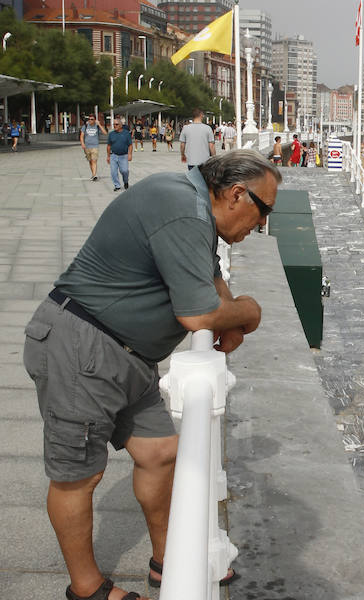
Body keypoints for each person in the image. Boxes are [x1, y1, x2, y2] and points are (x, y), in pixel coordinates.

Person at [21, 150, 279, 600]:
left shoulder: (195, 211)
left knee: (160, 452)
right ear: (237, 194)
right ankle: (87, 589)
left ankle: (168, 561)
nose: (261, 225)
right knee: (78, 475)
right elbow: (200, 314)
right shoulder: (181, 208)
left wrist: (230, 318)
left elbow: (211, 281)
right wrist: (249, 312)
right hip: (82, 346)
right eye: (264, 212)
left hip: (130, 356)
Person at [106, 117, 133, 191]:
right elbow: (108, 146)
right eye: (114, 124)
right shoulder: (111, 134)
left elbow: (130, 145)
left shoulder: (126, 134)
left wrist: (130, 154)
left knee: (124, 171)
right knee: (113, 172)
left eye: (116, 124)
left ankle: (126, 181)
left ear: (121, 125)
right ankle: (117, 185)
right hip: (113, 155)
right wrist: (108, 156)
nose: (115, 126)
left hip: (123, 156)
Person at [80, 114, 107, 182]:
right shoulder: (85, 126)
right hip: (87, 146)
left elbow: (105, 133)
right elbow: (81, 136)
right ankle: (93, 174)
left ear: (95, 120)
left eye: (92, 119)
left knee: (94, 160)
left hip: (95, 146)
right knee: (90, 161)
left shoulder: (97, 126)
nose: (90, 120)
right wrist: (82, 143)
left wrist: (100, 125)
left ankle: (94, 175)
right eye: (89, 119)